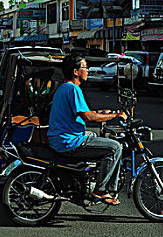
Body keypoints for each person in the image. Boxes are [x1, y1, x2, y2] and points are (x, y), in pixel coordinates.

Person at [47, 54, 126, 205]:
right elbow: (87, 117)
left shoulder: (64, 88)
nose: (88, 70)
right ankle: (101, 190)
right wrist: (116, 115)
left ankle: (88, 178)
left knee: (94, 135)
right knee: (115, 147)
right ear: (76, 71)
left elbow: (81, 113)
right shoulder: (73, 89)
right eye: (85, 67)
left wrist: (102, 113)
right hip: (68, 141)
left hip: (62, 137)